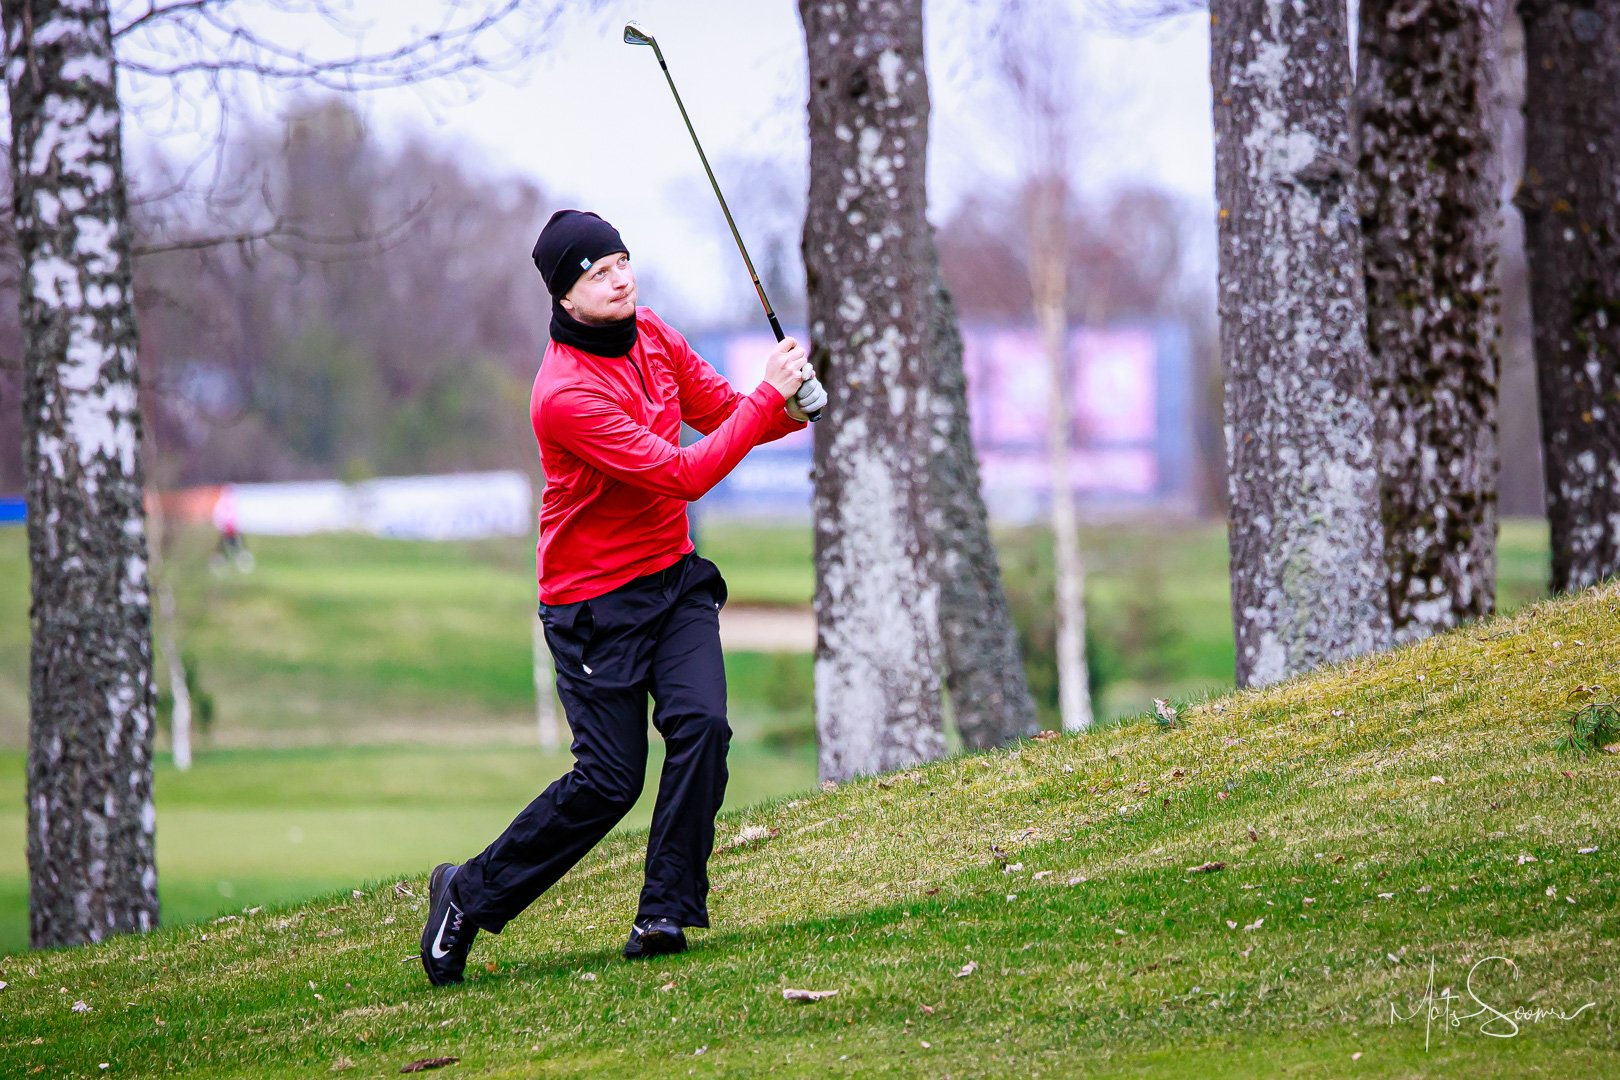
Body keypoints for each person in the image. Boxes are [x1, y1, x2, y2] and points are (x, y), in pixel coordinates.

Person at [420, 209, 826, 985]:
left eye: (623, 261)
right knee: (609, 782)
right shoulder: (563, 395)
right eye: (598, 272)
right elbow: (685, 471)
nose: (620, 279)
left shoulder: (655, 335)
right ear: (566, 296)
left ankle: (664, 911)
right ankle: (465, 898)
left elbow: (718, 416)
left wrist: (790, 406)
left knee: (703, 725)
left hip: (672, 581)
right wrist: (769, 402)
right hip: (592, 605)